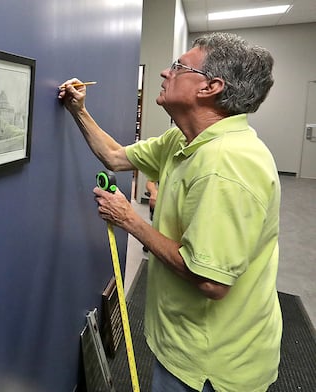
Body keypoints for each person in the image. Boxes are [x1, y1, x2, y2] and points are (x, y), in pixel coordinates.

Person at [59, 32, 281, 392]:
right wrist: (78, 110)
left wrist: (129, 219)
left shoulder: (227, 166)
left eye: (178, 67)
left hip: (211, 366)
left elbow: (211, 281)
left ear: (210, 87)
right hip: (181, 342)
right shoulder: (183, 139)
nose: (165, 72)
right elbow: (116, 156)